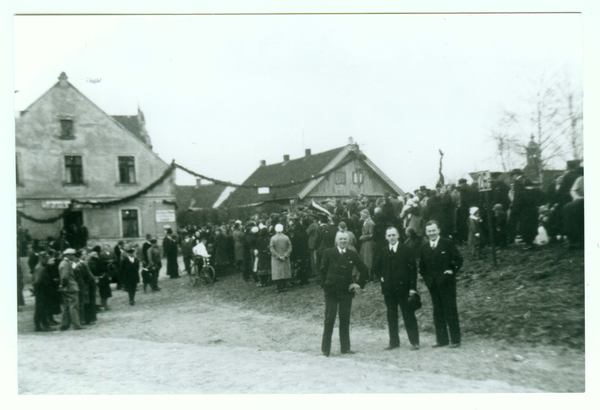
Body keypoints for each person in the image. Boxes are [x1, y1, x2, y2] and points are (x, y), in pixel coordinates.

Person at [319, 231, 369, 357]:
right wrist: (324, 285)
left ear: (348, 241)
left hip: (346, 290)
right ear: (336, 240)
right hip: (331, 291)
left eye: (345, 239)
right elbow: (321, 271)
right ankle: (325, 350)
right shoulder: (328, 252)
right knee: (330, 319)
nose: (343, 241)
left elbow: (364, 269)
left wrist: (358, 284)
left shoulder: (352, 254)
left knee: (345, 319)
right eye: (340, 239)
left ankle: (345, 348)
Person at [373, 227, 420, 350]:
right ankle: (394, 342)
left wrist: (412, 288)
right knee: (391, 315)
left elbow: (412, 270)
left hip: (404, 289)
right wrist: (381, 277)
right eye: (389, 235)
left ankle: (414, 342)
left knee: (408, 314)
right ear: (386, 237)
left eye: (394, 235)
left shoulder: (406, 250)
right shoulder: (383, 251)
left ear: (398, 235)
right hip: (389, 290)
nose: (391, 237)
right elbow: (376, 267)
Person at [419, 221, 463, 348]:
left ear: (438, 230)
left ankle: (455, 340)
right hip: (433, 285)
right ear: (426, 233)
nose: (431, 233)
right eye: (429, 231)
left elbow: (459, 259)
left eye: (433, 230)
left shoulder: (447, 243)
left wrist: (452, 271)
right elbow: (422, 267)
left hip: (447, 283)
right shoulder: (424, 247)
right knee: (437, 311)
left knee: (450, 309)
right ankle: (442, 340)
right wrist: (427, 279)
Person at [59, 248, 84, 331]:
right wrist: (65, 285)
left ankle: (64, 324)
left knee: (66, 306)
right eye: (72, 255)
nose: (73, 256)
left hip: (67, 288)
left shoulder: (64, 263)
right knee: (73, 306)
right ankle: (76, 324)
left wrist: (63, 286)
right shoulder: (66, 264)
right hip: (71, 288)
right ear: (68, 255)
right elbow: (64, 277)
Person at [32, 251, 53, 331]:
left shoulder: (40, 267)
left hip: (42, 291)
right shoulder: (40, 268)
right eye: (45, 259)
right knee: (40, 308)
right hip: (41, 291)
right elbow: (37, 281)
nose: (47, 260)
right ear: (41, 258)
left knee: (42, 308)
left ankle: (43, 325)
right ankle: (38, 326)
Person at [270, 224, 293, 293]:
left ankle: (279, 287)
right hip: (285, 257)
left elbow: (272, 248)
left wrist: (278, 256)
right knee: (284, 272)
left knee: (277, 272)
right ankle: (285, 286)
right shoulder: (286, 237)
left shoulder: (273, 238)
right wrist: (286, 255)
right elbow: (290, 247)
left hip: (276, 259)